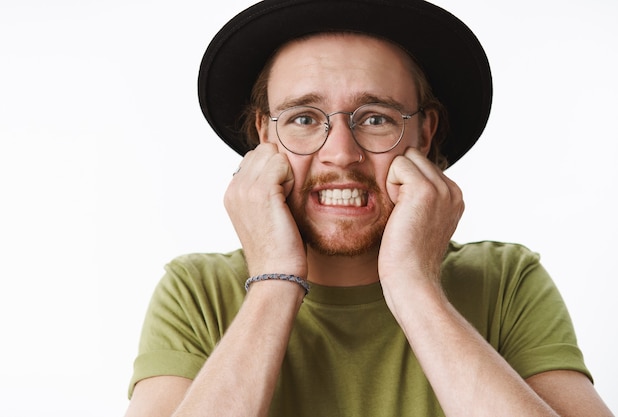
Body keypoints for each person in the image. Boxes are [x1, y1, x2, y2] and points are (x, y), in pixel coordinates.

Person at [124, 0, 614, 416]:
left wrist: (412, 284)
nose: (340, 152)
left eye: (376, 118)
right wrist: (274, 277)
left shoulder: (505, 279)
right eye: (303, 118)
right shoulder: (196, 291)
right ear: (264, 136)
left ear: (425, 132)